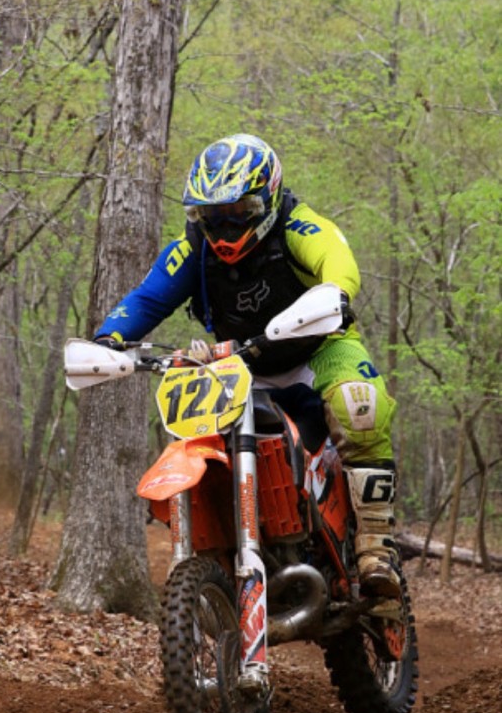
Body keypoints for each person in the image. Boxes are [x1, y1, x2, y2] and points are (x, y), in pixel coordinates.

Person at [94, 133, 400, 600]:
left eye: (240, 211)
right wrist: (108, 340)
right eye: (212, 216)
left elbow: (336, 259)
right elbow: (148, 297)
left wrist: (335, 292)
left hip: (318, 349)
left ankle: (377, 547)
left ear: (269, 198)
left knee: (359, 404)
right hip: (241, 365)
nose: (225, 227)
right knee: (198, 431)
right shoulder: (194, 248)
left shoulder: (298, 225)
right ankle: (222, 555)